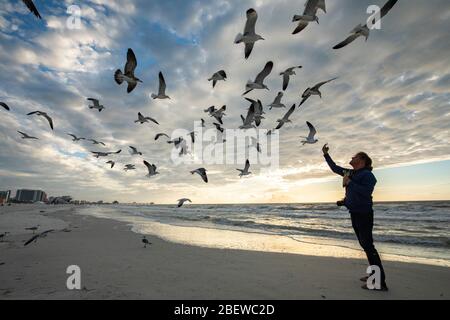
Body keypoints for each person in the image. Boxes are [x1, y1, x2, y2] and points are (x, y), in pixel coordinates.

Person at [322, 143, 388, 291]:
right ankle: (373, 274)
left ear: (362, 160)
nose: (352, 157)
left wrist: (350, 183)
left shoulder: (368, 175)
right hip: (355, 213)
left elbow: (365, 192)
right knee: (365, 246)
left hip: (364, 215)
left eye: (355, 156)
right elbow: (335, 168)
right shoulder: (351, 173)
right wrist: (326, 155)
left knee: (369, 247)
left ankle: (379, 282)